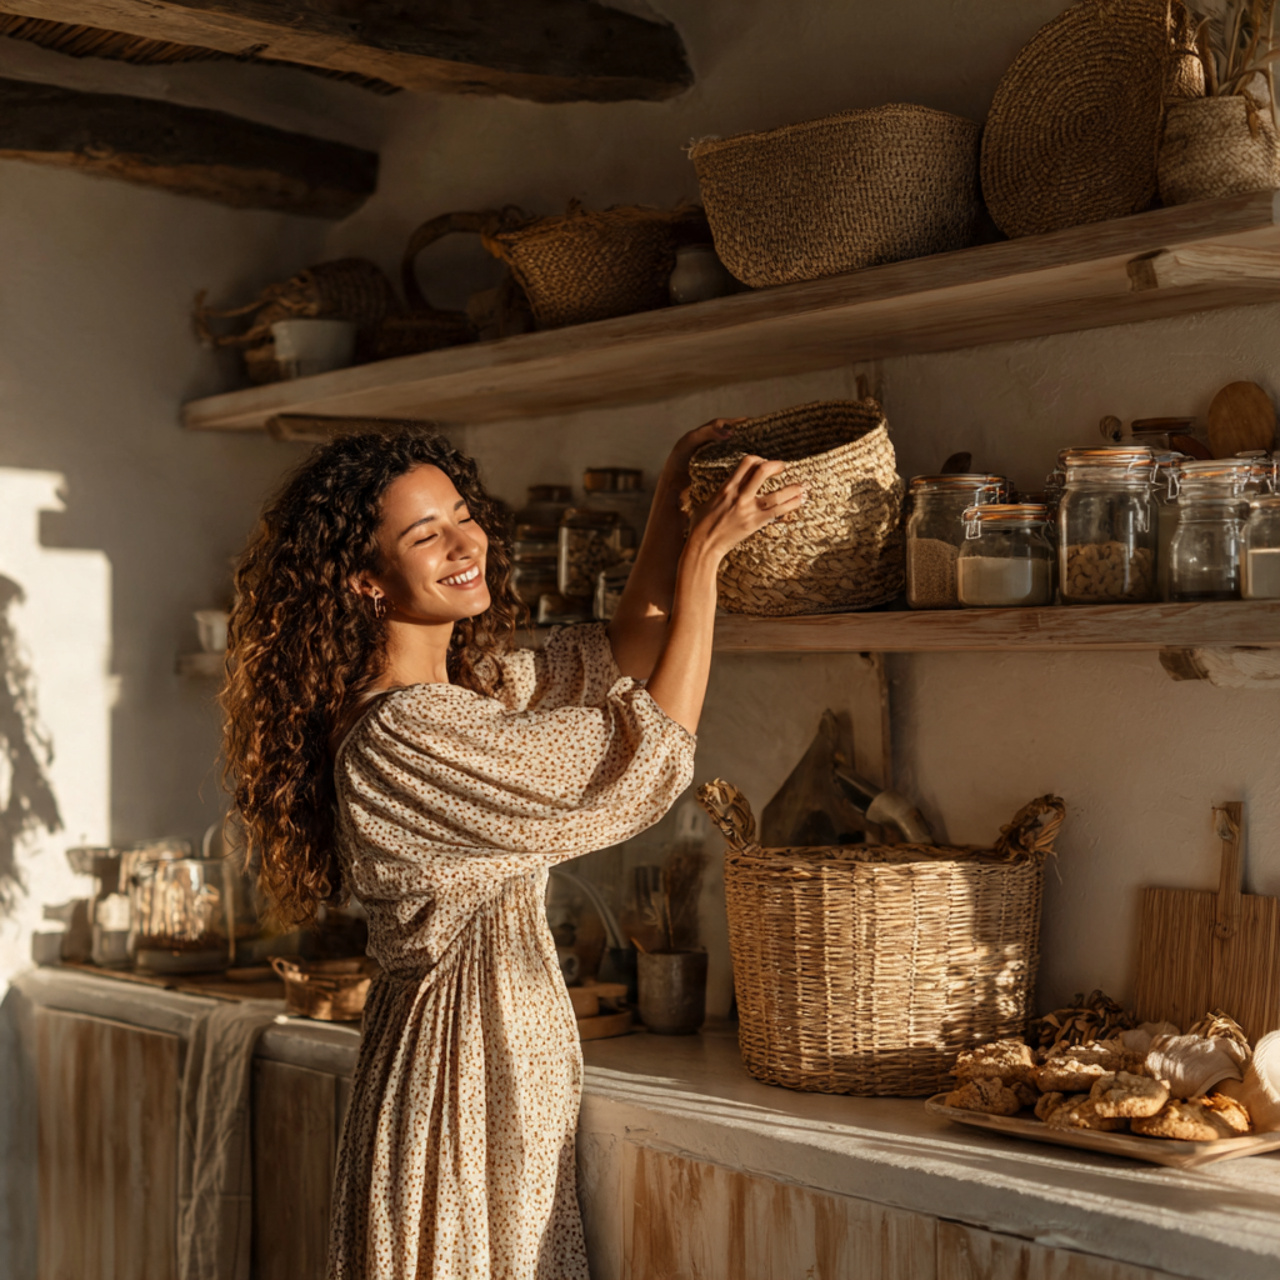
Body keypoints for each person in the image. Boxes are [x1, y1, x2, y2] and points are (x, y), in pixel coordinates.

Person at [221, 424, 805, 1280]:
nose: (466, 544)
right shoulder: (405, 732)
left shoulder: (469, 690)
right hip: (454, 1087)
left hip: (490, 1080)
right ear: (364, 581)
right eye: (425, 535)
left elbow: (624, 658)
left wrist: (672, 498)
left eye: (463, 515)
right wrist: (704, 564)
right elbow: (637, 760)